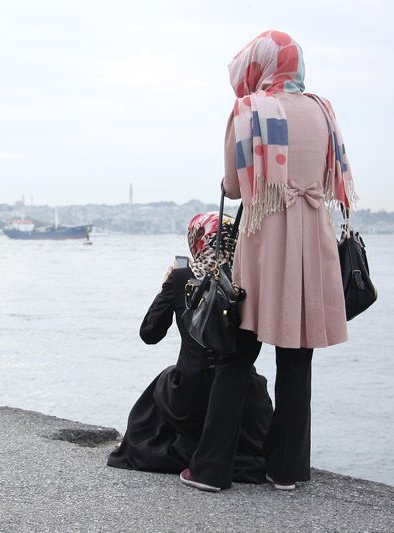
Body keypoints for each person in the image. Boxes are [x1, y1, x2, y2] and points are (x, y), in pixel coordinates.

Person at [180, 31, 355, 493]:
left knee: (237, 354)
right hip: (311, 242)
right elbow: (327, 177)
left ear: (259, 66)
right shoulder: (323, 111)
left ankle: (212, 471)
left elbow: (235, 189)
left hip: (264, 240)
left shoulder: (249, 110)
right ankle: (288, 470)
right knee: (297, 359)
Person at [107, 212, 273, 484]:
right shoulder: (250, 280)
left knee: (165, 379)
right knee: (249, 382)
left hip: (188, 400)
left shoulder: (182, 277)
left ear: (197, 242)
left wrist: (167, 285)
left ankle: (186, 452)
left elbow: (149, 334)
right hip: (243, 400)